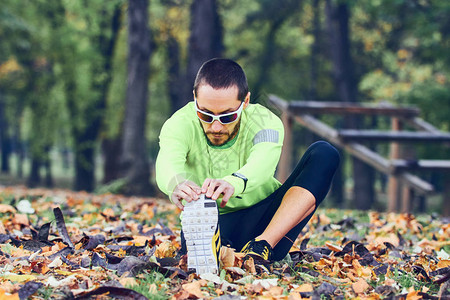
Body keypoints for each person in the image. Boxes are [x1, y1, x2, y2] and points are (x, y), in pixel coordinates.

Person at [156, 58, 340, 263]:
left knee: (325, 153)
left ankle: (262, 247)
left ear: (245, 102)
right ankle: (215, 251)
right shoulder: (178, 123)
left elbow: (263, 162)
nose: (215, 127)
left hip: (267, 220)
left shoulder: (266, 121)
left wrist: (233, 182)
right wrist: (176, 183)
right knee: (202, 222)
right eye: (205, 114)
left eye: (226, 117)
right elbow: (167, 161)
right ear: (194, 98)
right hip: (210, 220)